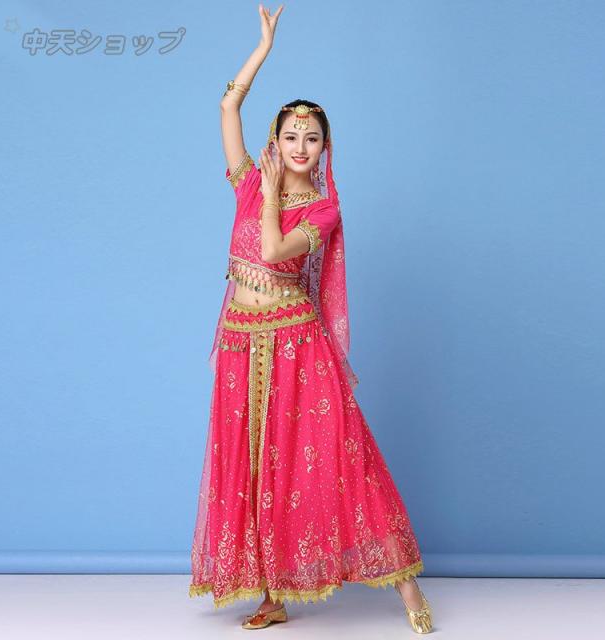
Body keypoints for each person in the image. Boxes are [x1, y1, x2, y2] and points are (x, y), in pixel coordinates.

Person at [188, 4, 433, 634]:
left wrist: (272, 197)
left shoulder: (323, 209)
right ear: (277, 139)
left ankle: (408, 588)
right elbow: (227, 107)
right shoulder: (248, 183)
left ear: (324, 147)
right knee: (252, 464)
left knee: (339, 455)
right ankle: (273, 593)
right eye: (291, 136)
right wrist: (262, 49)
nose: (300, 147)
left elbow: (273, 251)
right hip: (242, 341)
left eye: (312, 138)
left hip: (298, 342)